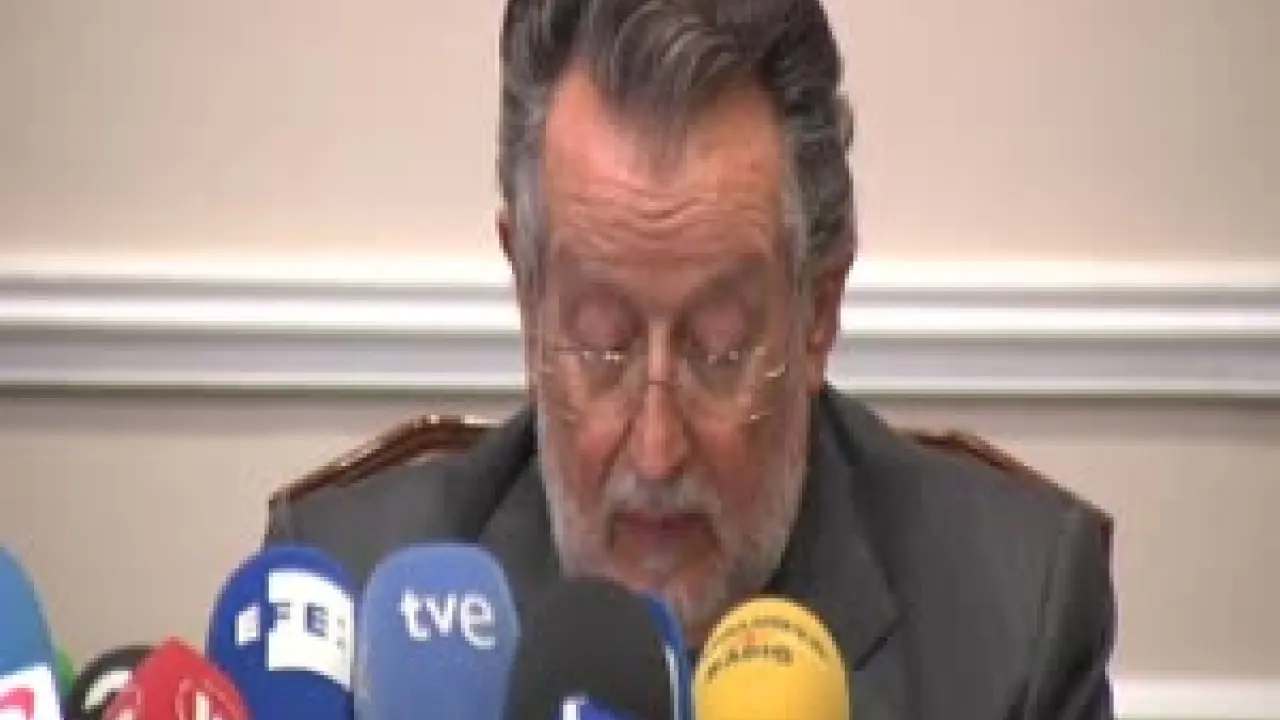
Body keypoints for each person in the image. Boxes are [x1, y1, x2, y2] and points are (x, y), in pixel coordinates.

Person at [264, 0, 1117, 716]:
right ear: (528, 298)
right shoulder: (345, 598)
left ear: (818, 310)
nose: (655, 451)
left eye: (719, 349)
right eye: (602, 342)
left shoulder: (1015, 628)